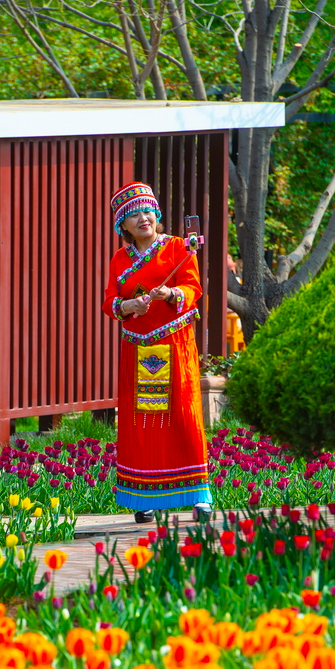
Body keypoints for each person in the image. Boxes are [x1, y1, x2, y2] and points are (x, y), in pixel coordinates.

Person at [103, 181, 212, 523]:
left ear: (157, 214)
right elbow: (110, 301)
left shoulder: (178, 247)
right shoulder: (120, 259)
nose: (143, 218)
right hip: (138, 349)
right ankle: (144, 497)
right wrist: (127, 305)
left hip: (175, 344)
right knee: (145, 420)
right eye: (133, 215)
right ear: (123, 225)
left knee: (183, 415)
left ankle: (199, 496)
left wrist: (170, 295)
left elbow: (193, 288)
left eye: (147, 211)